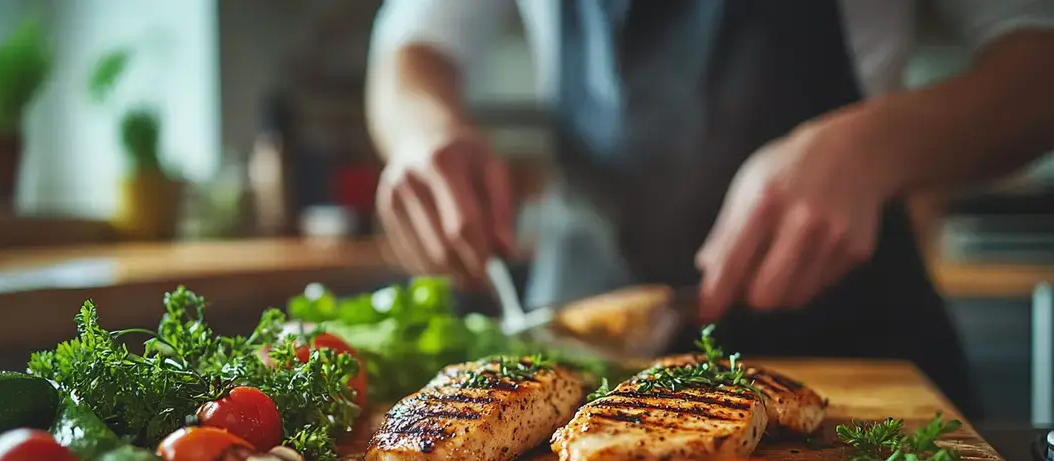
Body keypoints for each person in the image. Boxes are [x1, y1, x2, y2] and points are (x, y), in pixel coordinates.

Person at [365, 0, 1054, 421]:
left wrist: (871, 147)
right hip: (580, 347)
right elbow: (413, 45)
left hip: (853, 333)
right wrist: (424, 132)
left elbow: (1038, 53)